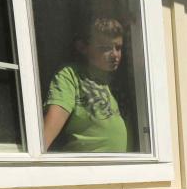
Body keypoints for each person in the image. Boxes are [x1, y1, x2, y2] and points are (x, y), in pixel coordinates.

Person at [42, 17, 129, 153]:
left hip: (116, 169)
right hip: (86, 169)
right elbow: (51, 124)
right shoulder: (71, 75)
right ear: (83, 47)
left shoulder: (111, 84)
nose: (114, 55)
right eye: (105, 48)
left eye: (118, 47)